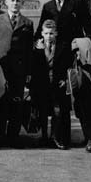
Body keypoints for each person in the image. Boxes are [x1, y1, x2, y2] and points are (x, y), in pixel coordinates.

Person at [34, 0, 91, 149]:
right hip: (57, 60)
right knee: (60, 100)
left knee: (84, 98)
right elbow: (41, 29)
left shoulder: (77, 3)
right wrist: (37, 43)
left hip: (75, 58)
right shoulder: (48, 6)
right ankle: (61, 137)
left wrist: (84, 47)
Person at [0, 0, 34, 147]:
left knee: (16, 103)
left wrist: (28, 72)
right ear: (6, 2)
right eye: (12, 0)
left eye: (18, 1)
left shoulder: (28, 23)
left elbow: (29, 50)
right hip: (1, 68)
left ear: (22, 3)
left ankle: (13, 137)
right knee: (0, 102)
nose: (15, 3)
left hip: (19, 71)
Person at [30, 19, 72, 149]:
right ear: (42, 33)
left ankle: (55, 136)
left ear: (56, 34)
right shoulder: (37, 47)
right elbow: (33, 66)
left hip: (57, 84)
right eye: (47, 33)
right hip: (42, 84)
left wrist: (65, 79)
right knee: (42, 111)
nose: (49, 36)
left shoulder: (63, 47)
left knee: (57, 111)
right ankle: (44, 136)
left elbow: (69, 65)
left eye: (52, 33)